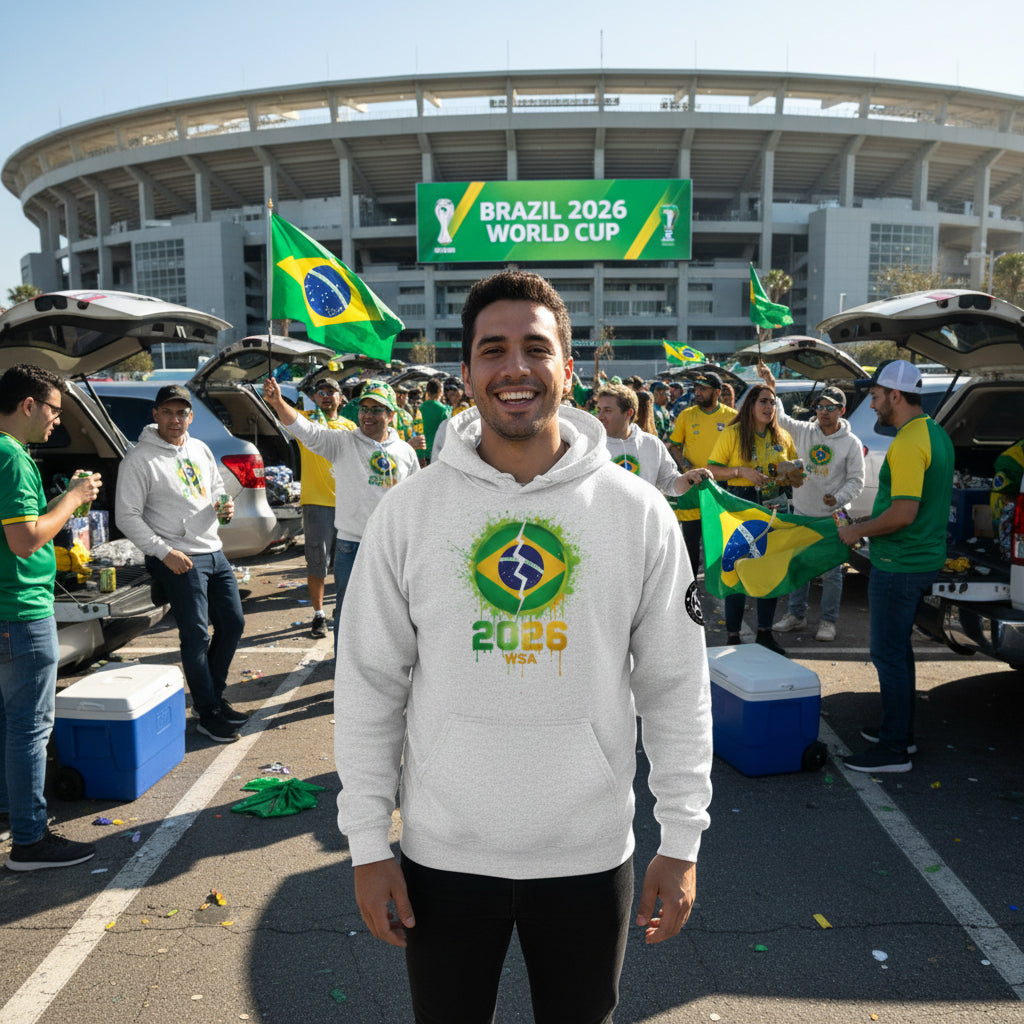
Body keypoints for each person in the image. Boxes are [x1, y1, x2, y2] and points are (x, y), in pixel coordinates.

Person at [334, 270, 713, 1022]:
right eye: (492, 349)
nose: (515, 369)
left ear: (568, 371)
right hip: (444, 855)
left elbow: (675, 682)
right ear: (466, 372)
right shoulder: (409, 513)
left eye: (536, 348)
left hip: (589, 852)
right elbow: (371, 681)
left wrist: (683, 834)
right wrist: (367, 843)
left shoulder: (636, 512)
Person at [0, 364, 100, 870]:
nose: (58, 421)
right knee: (28, 729)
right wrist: (73, 497)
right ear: (28, 405)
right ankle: (31, 839)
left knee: (8, 725)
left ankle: (13, 811)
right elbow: (25, 540)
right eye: (55, 410)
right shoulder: (12, 457)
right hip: (18, 609)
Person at [837, 360, 954, 773]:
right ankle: (898, 733)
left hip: (900, 563)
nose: (871, 405)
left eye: (874, 396)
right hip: (920, 558)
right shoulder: (936, 433)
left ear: (896, 396)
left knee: (887, 654)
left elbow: (904, 513)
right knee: (898, 652)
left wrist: (858, 531)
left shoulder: (907, 442)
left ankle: (893, 750)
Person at [116, 384, 246, 744]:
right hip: (178, 557)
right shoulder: (140, 459)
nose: (176, 420)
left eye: (182, 413)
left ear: (190, 416)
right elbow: (126, 516)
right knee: (196, 635)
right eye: (169, 412)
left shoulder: (200, 448)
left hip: (212, 550)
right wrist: (163, 553)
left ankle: (212, 697)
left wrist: (225, 506)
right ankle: (208, 713)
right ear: (155, 414)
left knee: (233, 624)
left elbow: (216, 489)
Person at [261, 378, 419, 646]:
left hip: (393, 549)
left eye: (376, 409)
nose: (368, 415)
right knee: (348, 615)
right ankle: (346, 680)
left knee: (393, 615)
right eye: (364, 408)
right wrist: (277, 403)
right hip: (353, 546)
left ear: (391, 415)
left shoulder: (405, 452)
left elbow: (415, 500)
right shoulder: (343, 442)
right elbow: (307, 431)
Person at [757, 364, 865, 642]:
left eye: (830, 407)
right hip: (803, 512)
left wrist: (838, 498)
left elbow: (857, 480)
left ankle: (828, 622)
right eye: (820, 406)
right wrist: (771, 383)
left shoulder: (851, 443)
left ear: (842, 411)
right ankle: (796, 615)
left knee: (832, 573)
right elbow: (778, 418)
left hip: (834, 517)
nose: (823, 412)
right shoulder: (803, 430)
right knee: (800, 566)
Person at [707, 381, 799, 653]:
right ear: (750, 405)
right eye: (763, 401)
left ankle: (764, 633)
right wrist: (740, 472)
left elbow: (798, 480)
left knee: (768, 571)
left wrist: (793, 472)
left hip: (775, 506)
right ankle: (733, 635)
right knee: (737, 569)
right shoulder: (733, 434)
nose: (769, 407)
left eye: (772, 402)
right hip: (740, 505)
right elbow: (711, 469)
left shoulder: (783, 437)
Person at [297, 376, 356, 639]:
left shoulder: (351, 427)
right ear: (314, 397)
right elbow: (282, 413)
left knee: (348, 565)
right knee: (317, 564)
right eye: (320, 392)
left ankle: (343, 610)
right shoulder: (307, 422)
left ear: (340, 398)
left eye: (331, 391)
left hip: (348, 504)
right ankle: (319, 615)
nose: (325, 395)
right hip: (316, 503)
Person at [667, 372, 736, 576]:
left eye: (703, 389)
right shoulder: (686, 415)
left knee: (719, 539)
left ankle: (720, 582)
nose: (698, 392)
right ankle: (690, 587)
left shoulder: (731, 416)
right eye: (696, 388)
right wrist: (687, 467)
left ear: (717, 392)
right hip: (693, 486)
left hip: (720, 488)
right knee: (690, 540)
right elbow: (674, 446)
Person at [596, 383, 710, 498]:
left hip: (642, 516)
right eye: (599, 410)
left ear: (628, 413)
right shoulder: (592, 446)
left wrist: (688, 478)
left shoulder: (651, 444)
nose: (600, 416)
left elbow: (670, 484)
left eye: (607, 410)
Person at [418, 378, 450, 464]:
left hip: (424, 452)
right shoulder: (444, 410)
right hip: (439, 451)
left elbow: (418, 432)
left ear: (427, 392)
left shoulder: (420, 409)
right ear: (440, 391)